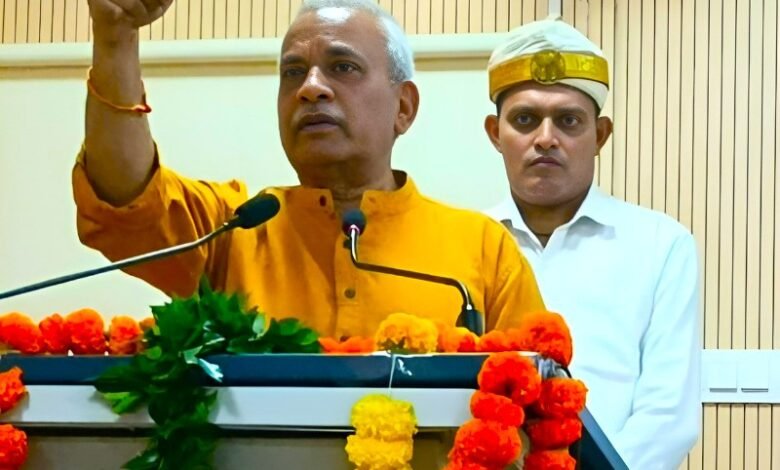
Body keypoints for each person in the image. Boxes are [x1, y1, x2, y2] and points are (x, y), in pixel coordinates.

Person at [72, 0, 546, 338]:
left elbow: (533, 410)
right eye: (293, 72)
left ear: (403, 107)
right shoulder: (232, 229)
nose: (311, 88)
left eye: (343, 67)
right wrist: (115, 39)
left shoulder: (483, 250)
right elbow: (124, 196)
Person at [483, 17, 701, 470]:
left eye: (568, 121)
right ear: (494, 133)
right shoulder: (468, 242)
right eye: (525, 120)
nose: (546, 139)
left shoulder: (660, 245)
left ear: (599, 135)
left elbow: (668, 416)